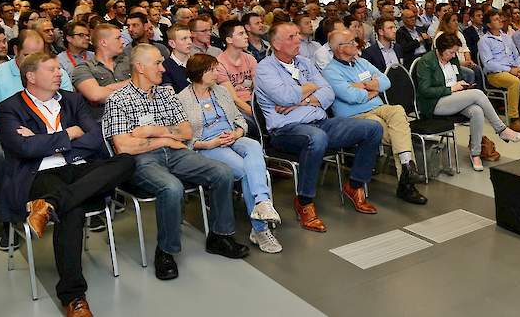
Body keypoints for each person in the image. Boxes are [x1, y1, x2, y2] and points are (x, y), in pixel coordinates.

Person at [0, 52, 136, 317]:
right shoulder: (9, 108)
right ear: (31, 76)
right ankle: (73, 298)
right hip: (39, 175)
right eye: (51, 69)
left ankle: (50, 204)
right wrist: (68, 134)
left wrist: (42, 141)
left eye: (58, 69)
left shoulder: (72, 100)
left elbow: (95, 138)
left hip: (79, 168)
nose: (59, 73)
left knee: (126, 161)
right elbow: (23, 149)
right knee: (72, 211)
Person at [103, 44, 249, 280]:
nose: (163, 68)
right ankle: (166, 252)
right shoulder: (118, 100)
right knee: (171, 188)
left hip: (178, 153)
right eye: (158, 63)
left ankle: (220, 237)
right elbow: (124, 146)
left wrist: (151, 130)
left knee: (222, 172)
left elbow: (185, 131)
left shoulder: (166, 94)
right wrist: (167, 140)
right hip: (141, 160)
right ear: (140, 67)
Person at [254, 22, 383, 233]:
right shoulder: (265, 68)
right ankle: (304, 202)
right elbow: (284, 97)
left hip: (319, 122)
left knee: (372, 128)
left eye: (297, 35)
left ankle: (355, 185)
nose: (298, 40)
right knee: (317, 138)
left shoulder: (304, 62)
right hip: (286, 130)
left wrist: (302, 100)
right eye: (291, 37)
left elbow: (329, 93)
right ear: (276, 44)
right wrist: (311, 89)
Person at [0, 30, 75, 250]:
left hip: (52, 134)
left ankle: (66, 202)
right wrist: (24, 141)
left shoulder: (55, 72)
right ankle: (9, 218)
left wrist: (44, 140)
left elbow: (70, 110)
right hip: (12, 138)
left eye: (39, 53)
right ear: (15, 51)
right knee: (1, 153)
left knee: (81, 145)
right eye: (28, 54)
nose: (34, 60)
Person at [178, 54, 282, 254]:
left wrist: (237, 132)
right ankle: (260, 229)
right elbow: (183, 138)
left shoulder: (221, 92)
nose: (218, 73)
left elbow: (238, 119)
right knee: (245, 170)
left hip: (232, 137)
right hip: (208, 145)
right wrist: (208, 144)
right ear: (200, 73)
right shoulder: (182, 99)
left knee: (252, 145)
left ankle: (261, 202)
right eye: (213, 69)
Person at [322, 29, 428, 204]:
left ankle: (407, 168)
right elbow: (352, 97)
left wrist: (361, 86)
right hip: (356, 116)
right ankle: (407, 180)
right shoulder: (331, 71)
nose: (357, 44)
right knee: (395, 132)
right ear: (340, 48)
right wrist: (372, 87)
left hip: (379, 107)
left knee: (398, 110)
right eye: (352, 42)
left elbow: (386, 81)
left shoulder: (362, 62)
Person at [416, 34, 520, 171]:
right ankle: (501, 129)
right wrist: (450, 89)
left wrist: (461, 84)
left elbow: (457, 77)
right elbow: (425, 90)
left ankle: (475, 153)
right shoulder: (426, 62)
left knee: (477, 111)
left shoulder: (453, 58)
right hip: (434, 103)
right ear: (440, 49)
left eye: (455, 52)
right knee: (478, 94)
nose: (453, 55)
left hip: (454, 98)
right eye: (450, 52)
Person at [478, 10, 520, 132]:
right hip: (496, 74)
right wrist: (510, 70)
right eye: (496, 19)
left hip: (514, 69)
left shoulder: (507, 37)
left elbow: (516, 55)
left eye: (500, 18)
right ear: (488, 24)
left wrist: (519, 67)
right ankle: (513, 119)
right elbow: (489, 64)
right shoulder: (484, 40)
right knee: (514, 82)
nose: (500, 21)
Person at [72, 24, 131, 119]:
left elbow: (146, 84)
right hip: (104, 123)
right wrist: (133, 84)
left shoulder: (128, 61)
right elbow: (96, 96)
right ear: (104, 42)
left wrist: (107, 88)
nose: (123, 41)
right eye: (118, 38)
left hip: (135, 117)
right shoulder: (83, 68)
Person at [214, 20, 259, 140]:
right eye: (241, 34)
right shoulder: (219, 63)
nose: (246, 36)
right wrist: (256, 114)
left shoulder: (250, 59)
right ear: (229, 40)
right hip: (235, 107)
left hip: (254, 102)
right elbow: (233, 98)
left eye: (245, 33)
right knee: (255, 125)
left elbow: (259, 88)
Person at [434, 11, 481, 83]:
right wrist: (461, 63)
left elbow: (465, 49)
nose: (456, 23)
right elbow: (442, 56)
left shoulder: (459, 34)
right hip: (451, 64)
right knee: (470, 73)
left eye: (457, 20)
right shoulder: (440, 36)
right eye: (453, 20)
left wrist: (469, 61)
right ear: (446, 23)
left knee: (477, 68)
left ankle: (478, 91)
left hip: (464, 62)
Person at [162, 23, 193, 93]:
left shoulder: (197, 62)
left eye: (190, 38)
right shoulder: (165, 68)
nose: (190, 42)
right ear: (172, 44)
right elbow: (170, 97)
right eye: (184, 39)